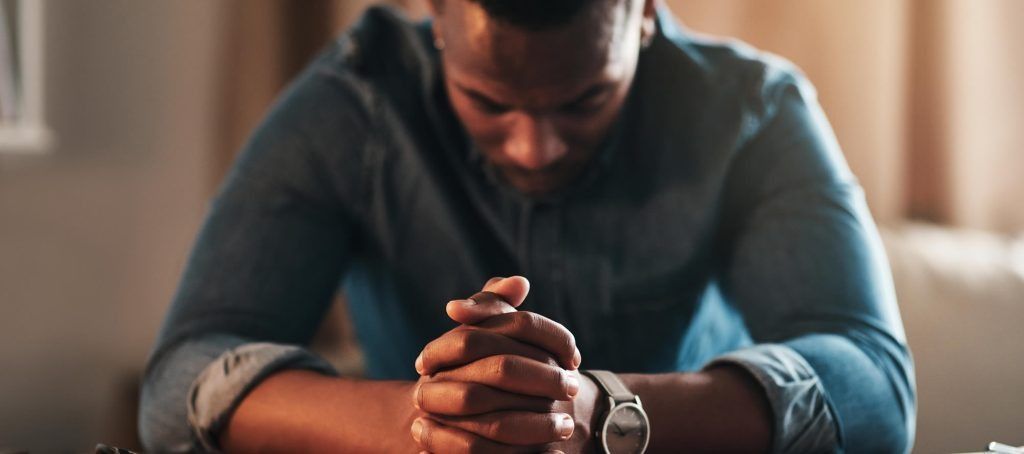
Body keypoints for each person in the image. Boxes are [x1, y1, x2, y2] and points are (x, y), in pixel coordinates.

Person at [138, 0, 916, 452]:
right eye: (488, 100)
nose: (533, 148)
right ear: (437, 19)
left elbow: (875, 386)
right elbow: (177, 382)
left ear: (642, 12)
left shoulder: (754, 110)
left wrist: (596, 412)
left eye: (584, 100)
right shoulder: (353, 104)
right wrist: (428, 424)